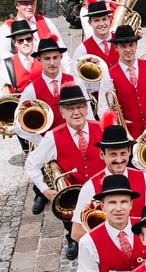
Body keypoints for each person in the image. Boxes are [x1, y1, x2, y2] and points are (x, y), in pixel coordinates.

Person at [22, 85, 103, 256]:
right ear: (62, 113)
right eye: (71, 108)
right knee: (75, 232)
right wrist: (45, 190)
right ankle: (73, 240)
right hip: (74, 199)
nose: (76, 112)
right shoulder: (53, 137)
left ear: (87, 109)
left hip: (102, 194)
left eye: (80, 106)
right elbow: (31, 164)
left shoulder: (102, 128)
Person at [70, 122, 146, 245]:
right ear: (102, 155)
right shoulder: (90, 187)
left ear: (129, 152)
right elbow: (77, 233)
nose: (119, 160)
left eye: (123, 153)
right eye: (113, 154)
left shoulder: (144, 178)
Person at [98, 23, 146, 138]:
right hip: (130, 135)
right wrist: (118, 127)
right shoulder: (109, 76)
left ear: (136, 45)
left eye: (131, 45)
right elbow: (103, 109)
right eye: (123, 46)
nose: (128, 50)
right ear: (115, 47)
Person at [13, 38, 79, 145]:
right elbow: (18, 124)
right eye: (47, 59)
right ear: (39, 59)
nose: (52, 63)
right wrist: (42, 142)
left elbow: (88, 114)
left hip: (75, 142)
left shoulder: (76, 82)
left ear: (61, 57)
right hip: (48, 147)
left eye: (55, 57)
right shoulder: (31, 90)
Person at [0, 0, 64, 61]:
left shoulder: (47, 22)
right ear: (16, 5)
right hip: (20, 71)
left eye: (32, 3)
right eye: (25, 3)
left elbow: (62, 51)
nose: (30, 7)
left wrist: (70, 72)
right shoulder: (6, 28)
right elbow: (2, 55)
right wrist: (25, 61)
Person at [70, 2, 116, 111]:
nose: (102, 24)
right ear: (89, 23)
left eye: (104, 19)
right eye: (96, 20)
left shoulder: (120, 40)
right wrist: (101, 86)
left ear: (109, 19)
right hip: (100, 104)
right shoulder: (83, 49)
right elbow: (75, 79)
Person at [0, 20, 40, 104]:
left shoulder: (43, 59)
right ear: (14, 42)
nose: (25, 43)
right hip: (19, 111)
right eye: (20, 40)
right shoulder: (7, 65)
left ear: (33, 39)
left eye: (28, 39)